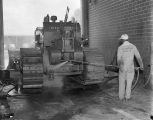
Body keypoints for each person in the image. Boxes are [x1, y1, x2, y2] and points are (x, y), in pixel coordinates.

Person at [117, 34, 143, 100]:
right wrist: (141, 65)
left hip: (122, 68)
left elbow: (119, 59)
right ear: (128, 39)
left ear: (122, 40)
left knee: (122, 83)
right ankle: (127, 97)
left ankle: (121, 97)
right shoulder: (133, 46)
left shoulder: (120, 48)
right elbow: (138, 57)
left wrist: (120, 67)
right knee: (129, 83)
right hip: (130, 68)